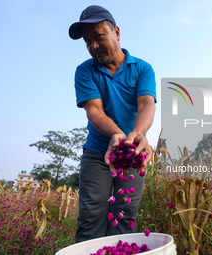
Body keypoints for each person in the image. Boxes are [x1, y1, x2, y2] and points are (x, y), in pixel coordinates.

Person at [68, 5, 156, 243]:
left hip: (132, 153)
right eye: (87, 41)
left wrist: (136, 134)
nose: (93, 46)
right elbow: (94, 110)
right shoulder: (85, 71)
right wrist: (118, 135)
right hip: (98, 153)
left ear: (116, 32)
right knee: (91, 215)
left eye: (98, 37)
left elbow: (147, 103)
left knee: (125, 215)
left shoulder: (142, 68)